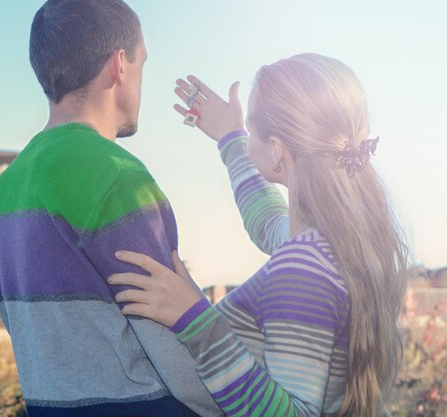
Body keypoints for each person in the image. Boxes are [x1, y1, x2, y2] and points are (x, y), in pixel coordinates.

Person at [109, 53, 408, 417]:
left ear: (278, 150)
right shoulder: (336, 243)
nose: (247, 140)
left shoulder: (302, 267)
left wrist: (196, 319)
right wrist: (230, 136)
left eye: (251, 130)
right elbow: (266, 220)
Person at [0, 1, 223, 416]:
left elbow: (17, 322)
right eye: (141, 64)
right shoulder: (115, 174)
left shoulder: (12, 181)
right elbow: (172, 343)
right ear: (119, 65)